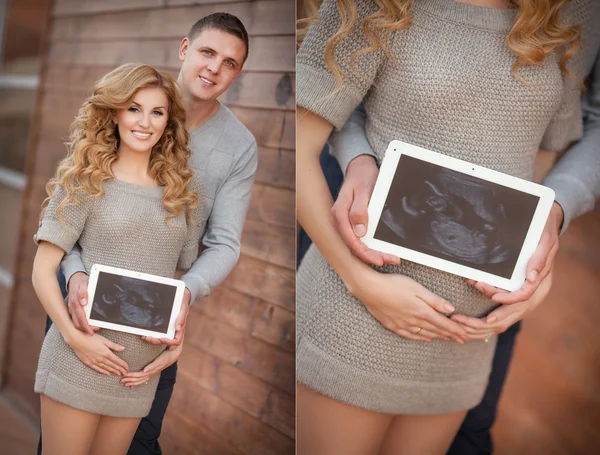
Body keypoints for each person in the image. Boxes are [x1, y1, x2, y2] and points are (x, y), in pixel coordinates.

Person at [296, 0, 593, 454]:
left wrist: (538, 258)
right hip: (356, 316)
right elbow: (300, 149)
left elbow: (541, 170)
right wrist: (363, 284)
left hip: (466, 338)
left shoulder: (567, 15)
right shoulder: (372, 5)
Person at [38, 13, 258, 455]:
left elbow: (218, 247)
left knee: (142, 445)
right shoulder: (104, 151)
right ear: (185, 49)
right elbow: (61, 242)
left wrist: (182, 302)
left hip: (149, 342)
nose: (215, 68)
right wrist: (75, 278)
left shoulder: (228, 155)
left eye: (230, 63)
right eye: (207, 52)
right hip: (80, 314)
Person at [32, 63, 203, 455]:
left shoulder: (185, 190)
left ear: (168, 121)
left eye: (156, 112)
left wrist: (177, 340)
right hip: (80, 358)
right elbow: (42, 271)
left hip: (137, 375)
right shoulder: (85, 179)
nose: (145, 122)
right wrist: (76, 340)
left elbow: (173, 279)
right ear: (113, 113)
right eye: (133, 108)